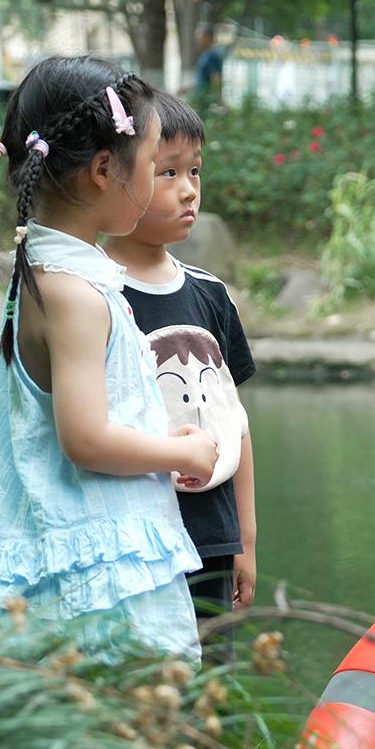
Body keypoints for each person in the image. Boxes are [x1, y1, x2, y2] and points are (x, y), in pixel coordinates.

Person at [0, 56, 217, 662]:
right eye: (151, 163)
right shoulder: (74, 294)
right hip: (95, 575)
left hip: (71, 553)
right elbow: (87, 439)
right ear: (104, 170)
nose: (155, 179)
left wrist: (157, 438)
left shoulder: (48, 276)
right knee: (126, 710)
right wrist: (180, 453)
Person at [104, 87, 259, 634]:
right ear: (115, 174)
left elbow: (234, 423)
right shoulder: (94, 293)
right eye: (167, 172)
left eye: (195, 171)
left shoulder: (210, 294)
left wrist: (245, 540)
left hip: (211, 537)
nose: (189, 189)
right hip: (133, 536)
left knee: (211, 670)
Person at [193, 27, 226, 104]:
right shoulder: (206, 54)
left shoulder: (213, 54)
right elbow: (202, 80)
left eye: (199, 36)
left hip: (207, 101)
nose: (197, 39)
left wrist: (218, 100)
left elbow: (216, 78)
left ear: (208, 37)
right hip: (201, 99)